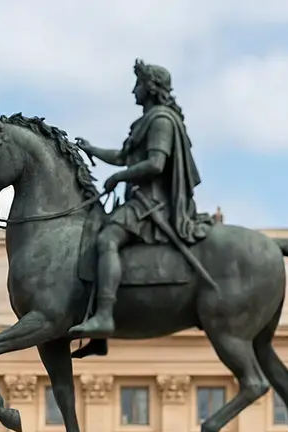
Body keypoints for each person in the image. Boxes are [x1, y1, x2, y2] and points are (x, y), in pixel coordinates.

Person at [69, 59, 210, 339]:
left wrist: (120, 177)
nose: (134, 90)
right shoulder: (146, 121)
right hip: (140, 201)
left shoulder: (160, 121)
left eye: (138, 84)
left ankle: (105, 314)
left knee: (107, 239)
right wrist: (92, 150)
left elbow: (156, 164)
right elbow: (123, 156)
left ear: (150, 87)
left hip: (151, 204)